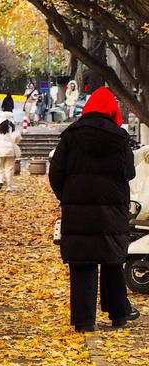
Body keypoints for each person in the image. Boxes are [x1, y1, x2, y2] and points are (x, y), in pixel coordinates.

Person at [49, 86, 139, 333]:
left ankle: (84, 321)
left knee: (82, 264)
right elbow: (129, 172)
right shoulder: (119, 139)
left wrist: (68, 198)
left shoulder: (71, 136)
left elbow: (56, 173)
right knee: (113, 261)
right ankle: (119, 314)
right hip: (112, 213)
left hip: (78, 214)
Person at [0, 119, 21, 191]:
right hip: (10, 150)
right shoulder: (13, 127)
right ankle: (9, 186)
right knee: (9, 168)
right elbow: (17, 138)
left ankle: (0, 181)